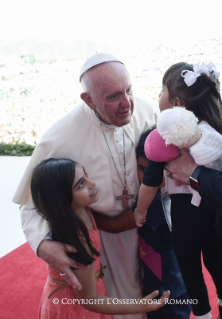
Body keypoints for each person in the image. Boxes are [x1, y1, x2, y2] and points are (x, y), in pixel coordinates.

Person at [12, 53, 159, 319]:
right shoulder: (60, 136)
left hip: (149, 230)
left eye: (129, 90)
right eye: (113, 96)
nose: (127, 103)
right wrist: (43, 245)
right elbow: (31, 205)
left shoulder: (149, 113)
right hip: (97, 238)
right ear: (88, 100)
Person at [134, 62, 222, 319]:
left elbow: (150, 182)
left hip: (185, 218)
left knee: (190, 270)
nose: (158, 97)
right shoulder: (214, 132)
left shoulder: (165, 138)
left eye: (161, 91)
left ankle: (203, 315)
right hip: (216, 215)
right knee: (218, 264)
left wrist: (140, 211)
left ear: (177, 103)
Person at [31, 158, 170, 319]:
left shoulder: (80, 211)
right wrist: (140, 305)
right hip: (73, 308)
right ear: (62, 199)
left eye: (85, 176)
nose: (91, 183)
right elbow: (89, 299)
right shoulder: (79, 242)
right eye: (80, 184)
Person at [134, 128, 191, 319]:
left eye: (159, 169)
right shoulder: (177, 191)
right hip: (177, 280)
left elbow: (118, 223)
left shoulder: (154, 203)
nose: (152, 176)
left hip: (168, 288)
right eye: (144, 169)